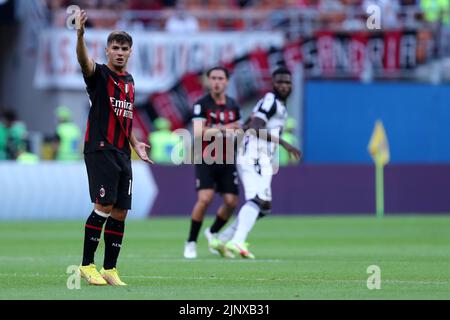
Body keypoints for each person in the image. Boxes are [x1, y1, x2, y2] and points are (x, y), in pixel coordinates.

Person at [75, 9, 153, 286]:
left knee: (120, 211)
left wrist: (136, 145)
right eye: (115, 48)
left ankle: (110, 269)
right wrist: (80, 34)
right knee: (104, 206)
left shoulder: (130, 82)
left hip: (122, 151)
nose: (120, 52)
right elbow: (84, 62)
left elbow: (125, 119)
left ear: (130, 52)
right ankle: (86, 265)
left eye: (124, 48)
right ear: (107, 50)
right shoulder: (100, 75)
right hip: (100, 148)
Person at [212, 66, 302, 259]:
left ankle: (223, 238)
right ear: (273, 84)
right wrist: (284, 143)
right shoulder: (271, 101)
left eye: (288, 82)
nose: (284, 86)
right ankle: (237, 240)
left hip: (263, 159)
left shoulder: (277, 105)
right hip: (254, 156)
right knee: (256, 200)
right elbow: (255, 128)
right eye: (280, 82)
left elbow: (247, 124)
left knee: (265, 206)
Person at [183, 66, 241, 259]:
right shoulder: (201, 104)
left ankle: (213, 231)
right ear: (208, 81)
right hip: (206, 157)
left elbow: (238, 131)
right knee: (205, 199)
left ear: (227, 81)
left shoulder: (233, 105)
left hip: (227, 158)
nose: (216, 82)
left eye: (220, 78)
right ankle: (191, 242)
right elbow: (199, 133)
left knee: (232, 202)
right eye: (213, 78)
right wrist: (224, 129)